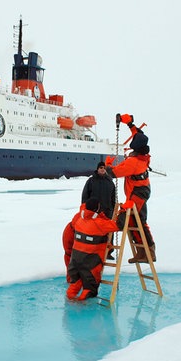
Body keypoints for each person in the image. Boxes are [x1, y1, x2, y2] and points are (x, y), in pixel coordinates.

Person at [104, 113, 155, 264]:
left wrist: (107, 164)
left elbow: (112, 173)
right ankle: (142, 252)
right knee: (136, 221)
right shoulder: (144, 155)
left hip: (137, 194)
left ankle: (149, 252)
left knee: (127, 220)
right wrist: (130, 123)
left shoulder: (133, 162)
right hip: (141, 191)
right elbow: (139, 134)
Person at [65, 197, 125, 301]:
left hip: (75, 262)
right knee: (90, 289)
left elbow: (84, 214)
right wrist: (123, 211)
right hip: (90, 262)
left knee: (74, 285)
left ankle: (70, 302)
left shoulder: (79, 219)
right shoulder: (99, 224)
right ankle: (82, 307)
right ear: (97, 209)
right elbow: (119, 225)